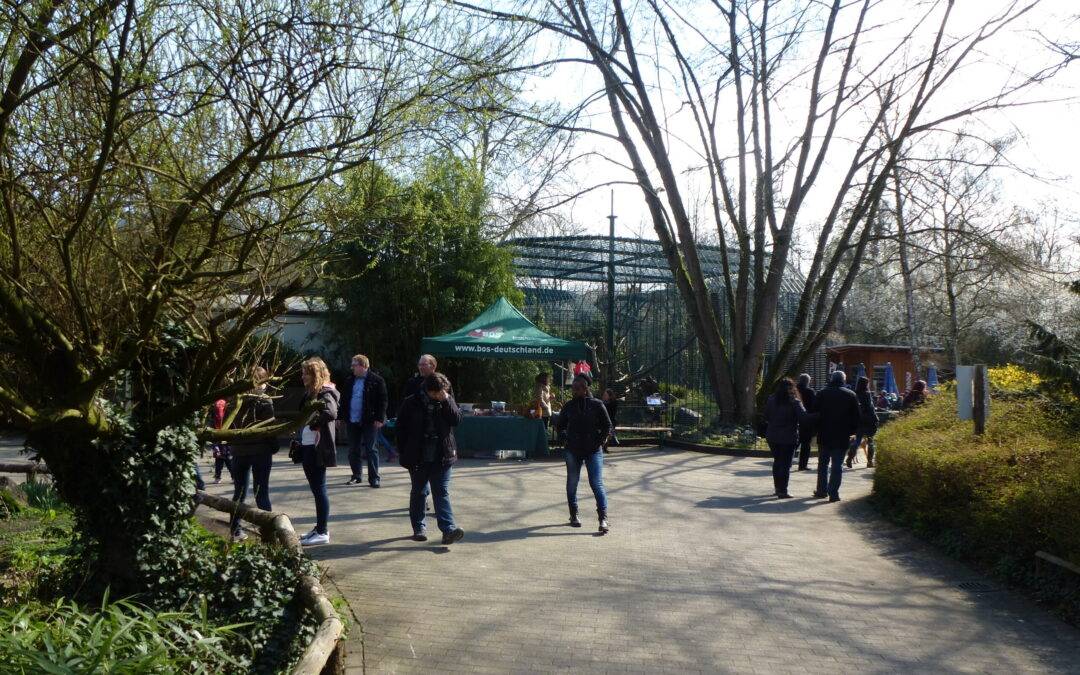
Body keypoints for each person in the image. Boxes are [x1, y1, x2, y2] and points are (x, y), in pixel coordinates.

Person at [396, 373, 465, 545]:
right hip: (418, 455)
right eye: (437, 393)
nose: (440, 396)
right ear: (428, 391)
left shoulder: (446, 399)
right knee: (419, 491)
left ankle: (448, 530)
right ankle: (419, 527)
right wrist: (404, 452)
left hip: (442, 454)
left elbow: (456, 420)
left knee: (441, 491)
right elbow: (400, 429)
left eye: (444, 392)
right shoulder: (411, 402)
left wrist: (447, 400)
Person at [555, 374, 612, 533]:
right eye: (573, 388)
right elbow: (560, 426)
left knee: (596, 483)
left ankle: (603, 518)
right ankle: (573, 514)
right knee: (572, 482)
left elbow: (607, 426)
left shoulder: (597, 405)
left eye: (577, 388)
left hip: (593, 450)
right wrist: (564, 438)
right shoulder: (569, 406)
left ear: (585, 389)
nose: (574, 391)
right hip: (573, 450)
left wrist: (600, 441)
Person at [228, 367, 277, 542]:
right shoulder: (264, 401)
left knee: (239, 493)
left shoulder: (236, 399)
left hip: (239, 451)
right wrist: (274, 446)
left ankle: (235, 530)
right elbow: (268, 428)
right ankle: (269, 533)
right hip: (260, 451)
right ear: (261, 382)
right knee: (261, 493)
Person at [296, 357, 339, 546]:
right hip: (307, 446)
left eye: (306, 373)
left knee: (319, 489)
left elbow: (331, 412)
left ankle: (322, 531)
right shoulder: (311, 393)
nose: (303, 376)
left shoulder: (325, 392)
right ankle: (319, 528)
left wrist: (313, 423)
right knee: (316, 489)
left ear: (315, 375)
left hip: (316, 448)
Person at [813, 370, 861, 502]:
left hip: (824, 434)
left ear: (831, 379)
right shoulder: (851, 395)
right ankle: (833, 493)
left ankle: (821, 490)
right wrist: (852, 432)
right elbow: (856, 417)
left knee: (822, 464)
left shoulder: (822, 393)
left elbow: (814, 412)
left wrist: (817, 429)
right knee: (837, 465)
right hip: (842, 435)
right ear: (843, 380)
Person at [342, 354, 388, 487]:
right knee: (353, 450)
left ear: (363, 366)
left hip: (370, 420)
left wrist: (380, 418)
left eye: (354, 365)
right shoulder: (349, 380)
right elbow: (344, 400)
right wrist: (340, 417)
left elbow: (383, 401)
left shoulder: (377, 380)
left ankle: (374, 478)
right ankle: (356, 476)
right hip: (352, 419)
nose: (352, 368)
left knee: (371, 449)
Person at [764, 378, 812, 499]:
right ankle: (783, 490)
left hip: (772, 435)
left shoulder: (771, 399)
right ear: (792, 389)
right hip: (788, 436)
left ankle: (777, 488)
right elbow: (804, 417)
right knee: (785, 464)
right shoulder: (795, 402)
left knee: (777, 461)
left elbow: (766, 416)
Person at [845, 376, 880, 469]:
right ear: (866, 384)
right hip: (869, 421)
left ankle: (849, 458)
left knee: (857, 441)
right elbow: (870, 408)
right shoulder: (867, 394)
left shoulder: (854, 394)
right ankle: (869, 462)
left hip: (859, 420)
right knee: (870, 441)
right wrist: (876, 418)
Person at [795, 374, 817, 471]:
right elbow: (814, 406)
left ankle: (786, 461)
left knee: (793, 443)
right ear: (808, 381)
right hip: (807, 420)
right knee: (805, 444)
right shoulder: (810, 392)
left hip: (794, 419)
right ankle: (802, 465)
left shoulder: (793, 390)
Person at [210, 398, 233, 483]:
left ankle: (234, 476)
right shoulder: (213, 417)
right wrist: (215, 445)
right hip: (217, 441)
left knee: (229, 460)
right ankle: (217, 477)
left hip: (227, 443)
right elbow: (212, 429)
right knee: (218, 461)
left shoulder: (229, 416)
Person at [601, 388, 619, 453]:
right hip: (603, 422)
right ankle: (602, 447)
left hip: (611, 421)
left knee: (609, 435)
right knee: (604, 434)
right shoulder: (602, 403)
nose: (604, 396)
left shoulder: (613, 403)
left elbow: (611, 412)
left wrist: (604, 404)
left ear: (610, 396)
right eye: (604, 395)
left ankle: (605, 447)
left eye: (606, 395)